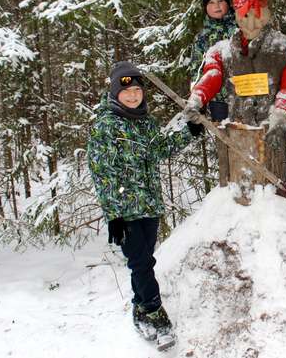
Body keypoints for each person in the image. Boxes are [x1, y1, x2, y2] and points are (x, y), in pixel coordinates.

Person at [87, 61, 203, 350]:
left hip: (150, 206)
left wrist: (189, 131)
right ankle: (157, 315)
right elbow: (102, 173)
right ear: (115, 93)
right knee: (140, 263)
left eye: (137, 90)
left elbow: (161, 149)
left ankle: (139, 310)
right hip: (124, 211)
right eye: (126, 91)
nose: (132, 96)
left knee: (144, 260)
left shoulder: (147, 123)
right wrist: (113, 215)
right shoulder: (105, 126)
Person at [183, 0, 286, 203]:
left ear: (267, 14)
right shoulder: (221, 49)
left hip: (269, 126)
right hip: (237, 127)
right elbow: (211, 75)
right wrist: (197, 100)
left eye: (257, 15)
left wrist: (280, 116)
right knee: (238, 184)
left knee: (269, 191)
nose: (250, 24)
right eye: (244, 15)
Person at [189, 0, 237, 120]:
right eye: (211, 2)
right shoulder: (202, 37)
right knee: (225, 138)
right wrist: (198, 104)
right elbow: (196, 70)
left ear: (228, 3)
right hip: (219, 100)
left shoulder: (243, 26)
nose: (216, 6)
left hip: (247, 92)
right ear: (205, 7)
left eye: (220, 1)